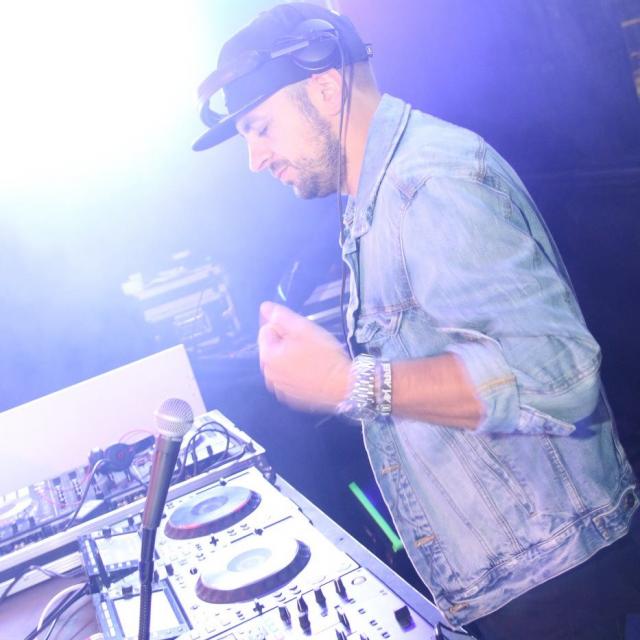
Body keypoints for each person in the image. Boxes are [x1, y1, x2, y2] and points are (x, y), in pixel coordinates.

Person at [193, 4, 640, 638]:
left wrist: (348, 383)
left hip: (556, 577)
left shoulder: (429, 183)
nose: (255, 159)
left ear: (325, 88)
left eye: (260, 127)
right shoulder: (374, 198)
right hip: (522, 571)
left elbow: (554, 378)